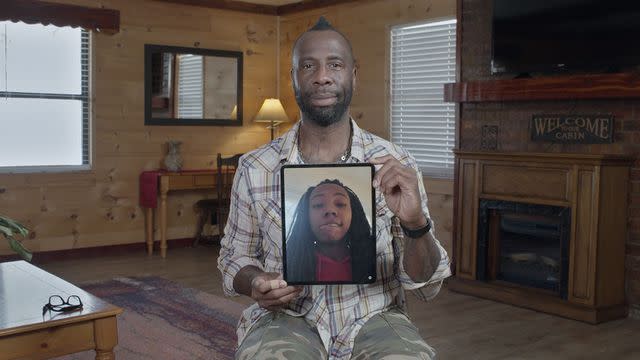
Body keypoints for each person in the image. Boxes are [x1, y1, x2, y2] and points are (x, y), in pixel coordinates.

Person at [218, 16, 451, 360]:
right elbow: (233, 257)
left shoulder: (395, 164)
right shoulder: (256, 167)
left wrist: (417, 225)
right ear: (294, 78)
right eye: (308, 65)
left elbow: (427, 288)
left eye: (335, 65)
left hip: (376, 319)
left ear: (353, 75)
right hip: (284, 318)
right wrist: (254, 281)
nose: (322, 76)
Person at [286, 179, 374, 283]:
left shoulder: (374, 259)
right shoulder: (290, 264)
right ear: (306, 216)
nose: (330, 210)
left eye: (340, 204)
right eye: (318, 205)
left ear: (353, 213)